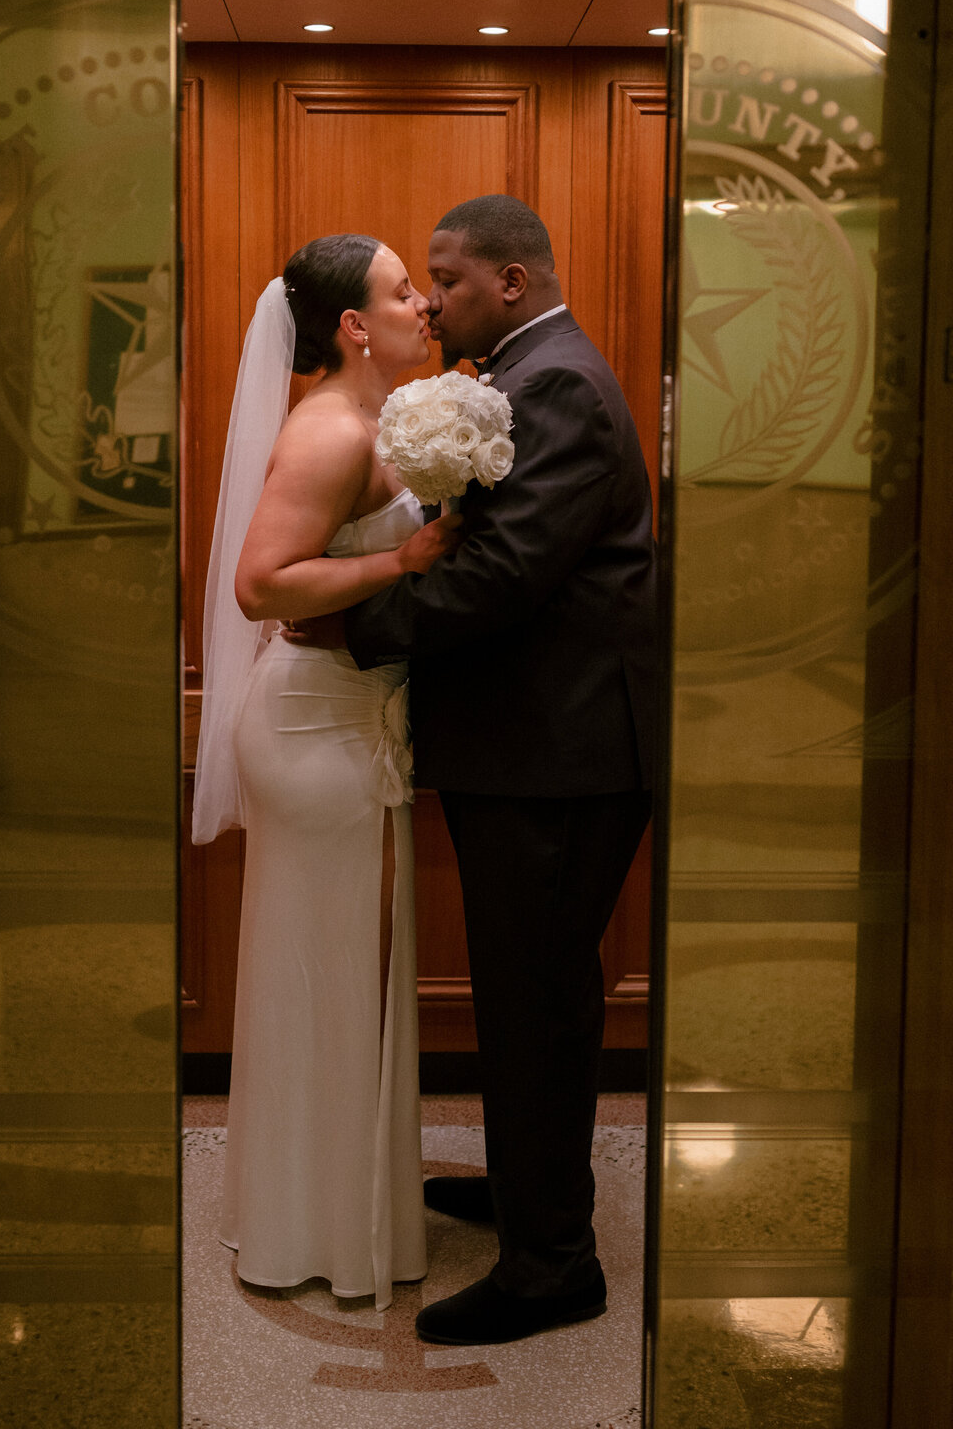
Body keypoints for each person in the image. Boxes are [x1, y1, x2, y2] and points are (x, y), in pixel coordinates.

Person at [290, 193, 657, 1346]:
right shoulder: (533, 370)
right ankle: (528, 1195)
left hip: (560, 754)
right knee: (536, 996)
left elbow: (501, 580)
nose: (431, 300)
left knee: (535, 1003)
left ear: (510, 280)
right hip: (548, 747)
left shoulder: (554, 384)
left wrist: (353, 629)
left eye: (444, 278)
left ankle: (554, 1268)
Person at [191, 233, 459, 1312]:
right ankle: (311, 1233)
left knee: (344, 976)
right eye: (404, 294)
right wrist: (398, 560)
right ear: (355, 327)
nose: (425, 307)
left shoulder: (378, 421)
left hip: (351, 723)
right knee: (327, 977)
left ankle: (328, 1213)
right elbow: (262, 585)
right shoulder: (326, 430)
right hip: (313, 731)